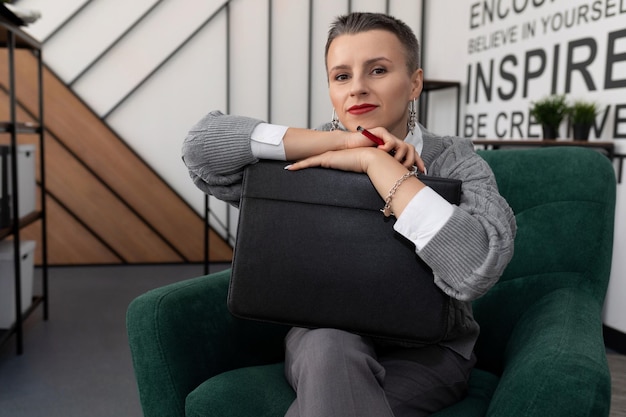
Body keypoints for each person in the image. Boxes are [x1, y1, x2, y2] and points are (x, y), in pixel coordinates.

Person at [182, 12, 516, 417]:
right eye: (341, 76)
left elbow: (476, 265)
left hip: (430, 352)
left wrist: (378, 166)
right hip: (321, 337)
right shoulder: (315, 150)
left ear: (414, 83)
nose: (357, 88)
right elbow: (201, 148)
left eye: (377, 70)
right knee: (327, 345)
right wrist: (344, 142)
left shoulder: (457, 160)